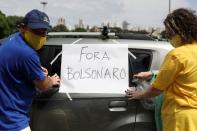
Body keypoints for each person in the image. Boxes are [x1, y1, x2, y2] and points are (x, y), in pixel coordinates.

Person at [126, 8, 197, 131]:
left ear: (181, 31)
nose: (168, 36)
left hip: (180, 117)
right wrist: (151, 73)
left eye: (170, 33)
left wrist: (140, 94)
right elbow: (186, 73)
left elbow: (156, 89)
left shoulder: (177, 55)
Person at [0, 9, 60, 131]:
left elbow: (14, 68)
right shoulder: (28, 54)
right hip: (13, 122)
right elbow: (43, 85)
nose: (41, 36)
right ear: (23, 28)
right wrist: (50, 80)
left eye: (44, 32)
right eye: (37, 31)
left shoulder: (10, 40)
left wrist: (36, 70)